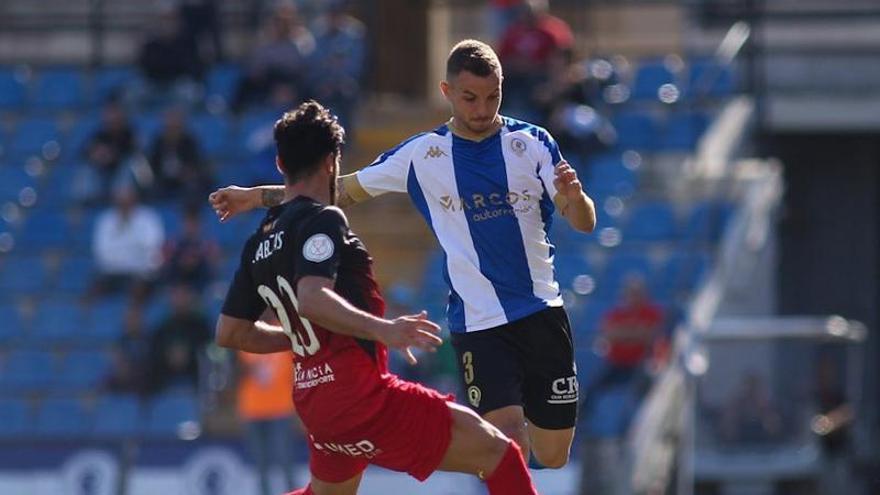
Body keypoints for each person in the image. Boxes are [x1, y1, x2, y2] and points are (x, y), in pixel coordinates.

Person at [210, 39, 597, 469]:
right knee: (506, 442)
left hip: (542, 312)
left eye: (493, 97)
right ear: (448, 93)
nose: (482, 108)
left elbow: (583, 221)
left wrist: (575, 198)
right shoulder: (422, 154)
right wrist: (257, 197)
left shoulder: (533, 143)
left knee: (554, 454)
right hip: (479, 322)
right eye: (470, 98)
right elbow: (339, 190)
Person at [213, 101, 539, 494]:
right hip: (359, 396)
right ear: (334, 161)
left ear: (281, 163)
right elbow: (312, 298)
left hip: (314, 402)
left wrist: (296, 335)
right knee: (498, 453)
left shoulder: (258, 243)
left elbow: (231, 333)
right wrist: (384, 330)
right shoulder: (323, 220)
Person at [237, 349, 298, 495]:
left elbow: (298, 371)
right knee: (260, 463)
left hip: (281, 408)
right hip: (252, 409)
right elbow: (234, 374)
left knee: (285, 460)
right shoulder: (244, 336)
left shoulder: (285, 334)